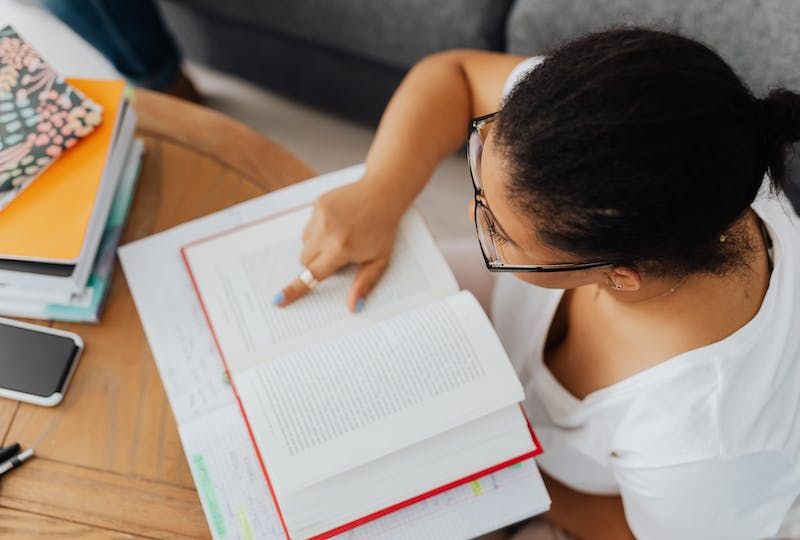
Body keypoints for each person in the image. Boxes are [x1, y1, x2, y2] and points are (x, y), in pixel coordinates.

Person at [275, 28, 800, 539]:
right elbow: (455, 75)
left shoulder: (709, 442)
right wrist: (379, 191)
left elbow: (635, 529)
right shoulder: (610, 134)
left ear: (619, 275)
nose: (471, 211)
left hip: (601, 502)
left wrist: (505, 470)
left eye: (500, 232)